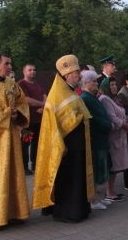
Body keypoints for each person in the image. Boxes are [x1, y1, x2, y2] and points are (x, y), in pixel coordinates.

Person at [33, 54, 94, 223]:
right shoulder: (58, 93)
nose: (80, 76)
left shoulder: (70, 91)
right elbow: (54, 124)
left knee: (77, 178)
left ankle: (79, 210)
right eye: (77, 73)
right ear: (67, 75)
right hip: (67, 146)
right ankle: (66, 213)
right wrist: (62, 144)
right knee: (68, 179)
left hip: (78, 144)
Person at [0, 53, 30, 232]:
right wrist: (7, 113)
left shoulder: (12, 83)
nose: (9, 67)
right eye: (6, 64)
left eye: (10, 64)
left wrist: (17, 114)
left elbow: (23, 102)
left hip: (11, 137)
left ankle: (14, 213)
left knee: (13, 174)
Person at [80, 71, 112, 209]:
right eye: (93, 81)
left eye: (95, 81)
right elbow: (94, 119)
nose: (96, 83)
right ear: (85, 83)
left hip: (101, 138)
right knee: (96, 169)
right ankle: (93, 200)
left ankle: (98, 197)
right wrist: (109, 125)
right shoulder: (85, 98)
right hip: (95, 138)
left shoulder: (92, 97)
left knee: (101, 168)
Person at [99, 77, 128, 194]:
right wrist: (124, 124)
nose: (114, 87)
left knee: (117, 166)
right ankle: (109, 191)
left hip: (121, 135)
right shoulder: (105, 99)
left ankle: (112, 190)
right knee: (112, 165)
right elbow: (112, 117)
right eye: (111, 84)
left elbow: (123, 113)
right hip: (113, 136)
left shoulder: (115, 99)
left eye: (115, 84)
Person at [17, 63, 47, 175]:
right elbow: (26, 99)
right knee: (25, 143)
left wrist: (43, 106)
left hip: (39, 120)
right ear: (24, 71)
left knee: (37, 143)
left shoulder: (38, 83)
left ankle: (35, 165)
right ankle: (24, 167)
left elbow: (45, 95)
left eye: (34, 70)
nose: (33, 72)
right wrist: (42, 104)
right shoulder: (21, 84)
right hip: (27, 121)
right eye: (30, 70)